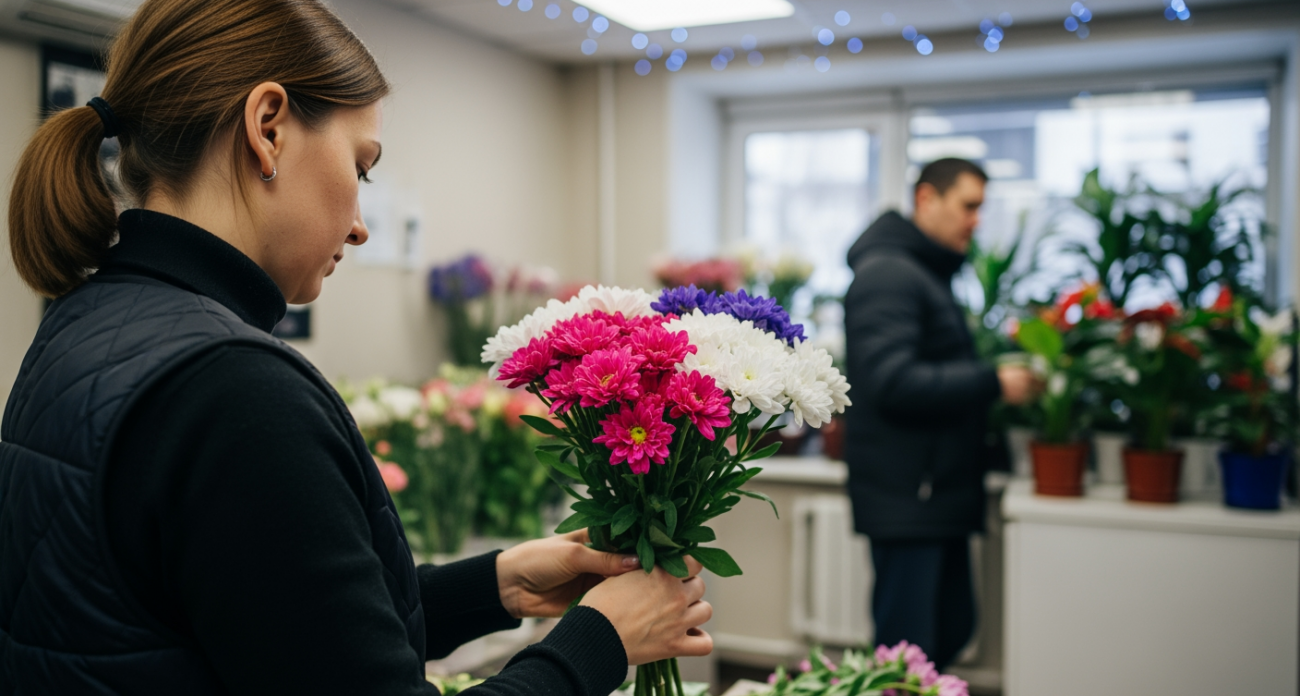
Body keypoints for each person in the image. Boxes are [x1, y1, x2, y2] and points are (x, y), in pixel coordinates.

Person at [0, 1, 712, 693]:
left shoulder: (85, 326)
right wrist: (599, 644)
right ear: (268, 127)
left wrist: (494, 586)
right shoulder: (232, 390)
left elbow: (268, 633)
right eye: (361, 167)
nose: (361, 225)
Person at [842, 158, 1038, 671]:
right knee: (907, 657)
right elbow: (890, 381)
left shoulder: (921, 272)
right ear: (927, 199)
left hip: (932, 493)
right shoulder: (889, 274)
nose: (976, 220)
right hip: (911, 497)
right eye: (968, 205)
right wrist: (994, 382)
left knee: (946, 634)